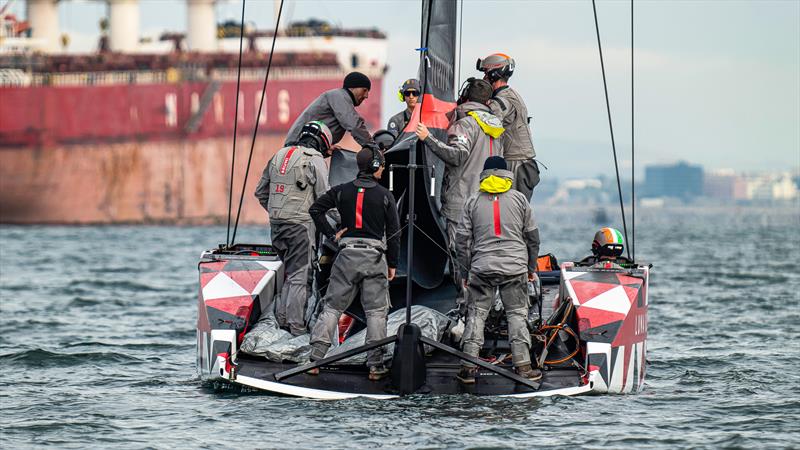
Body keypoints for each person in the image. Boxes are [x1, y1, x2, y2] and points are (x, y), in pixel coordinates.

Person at [308, 146, 400, 381]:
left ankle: (315, 359)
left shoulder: (341, 191)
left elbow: (316, 210)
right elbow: (394, 233)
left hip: (346, 257)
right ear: (376, 167)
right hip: (374, 259)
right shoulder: (385, 195)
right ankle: (375, 366)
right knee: (376, 313)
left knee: (332, 308)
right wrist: (392, 264)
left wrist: (331, 235)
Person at [415, 77, 504, 303]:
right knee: (485, 257)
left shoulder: (465, 124)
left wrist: (428, 139)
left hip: (461, 203)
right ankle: (487, 308)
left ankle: (467, 311)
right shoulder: (496, 127)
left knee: (461, 259)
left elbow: (457, 155)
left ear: (466, 96)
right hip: (489, 204)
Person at [454, 156, 542, 384]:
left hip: (481, 268)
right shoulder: (520, 200)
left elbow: (461, 241)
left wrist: (464, 273)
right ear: (507, 174)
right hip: (514, 268)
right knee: (516, 315)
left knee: (476, 314)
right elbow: (533, 238)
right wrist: (531, 267)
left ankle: (468, 368)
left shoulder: (472, 201)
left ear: (484, 174)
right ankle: (523, 367)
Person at [254, 121, 333, 336]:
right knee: (300, 277)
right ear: (322, 142)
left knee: (289, 274)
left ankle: (281, 323)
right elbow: (324, 198)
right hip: (300, 227)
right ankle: (296, 329)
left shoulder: (278, 155)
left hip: (277, 226)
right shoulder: (315, 160)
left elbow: (261, 192)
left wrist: (277, 213)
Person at [477, 53, 540, 201]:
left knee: (513, 211)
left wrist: (470, 110)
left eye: (486, 73)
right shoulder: (512, 95)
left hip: (516, 164)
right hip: (522, 163)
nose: (484, 78)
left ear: (494, 74)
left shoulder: (502, 100)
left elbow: (490, 125)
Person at [284, 71, 375, 148]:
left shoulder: (341, 99)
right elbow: (354, 125)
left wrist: (325, 149)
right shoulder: (339, 96)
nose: (366, 96)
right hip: (297, 146)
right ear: (353, 87)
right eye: (364, 90)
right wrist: (373, 147)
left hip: (304, 147)